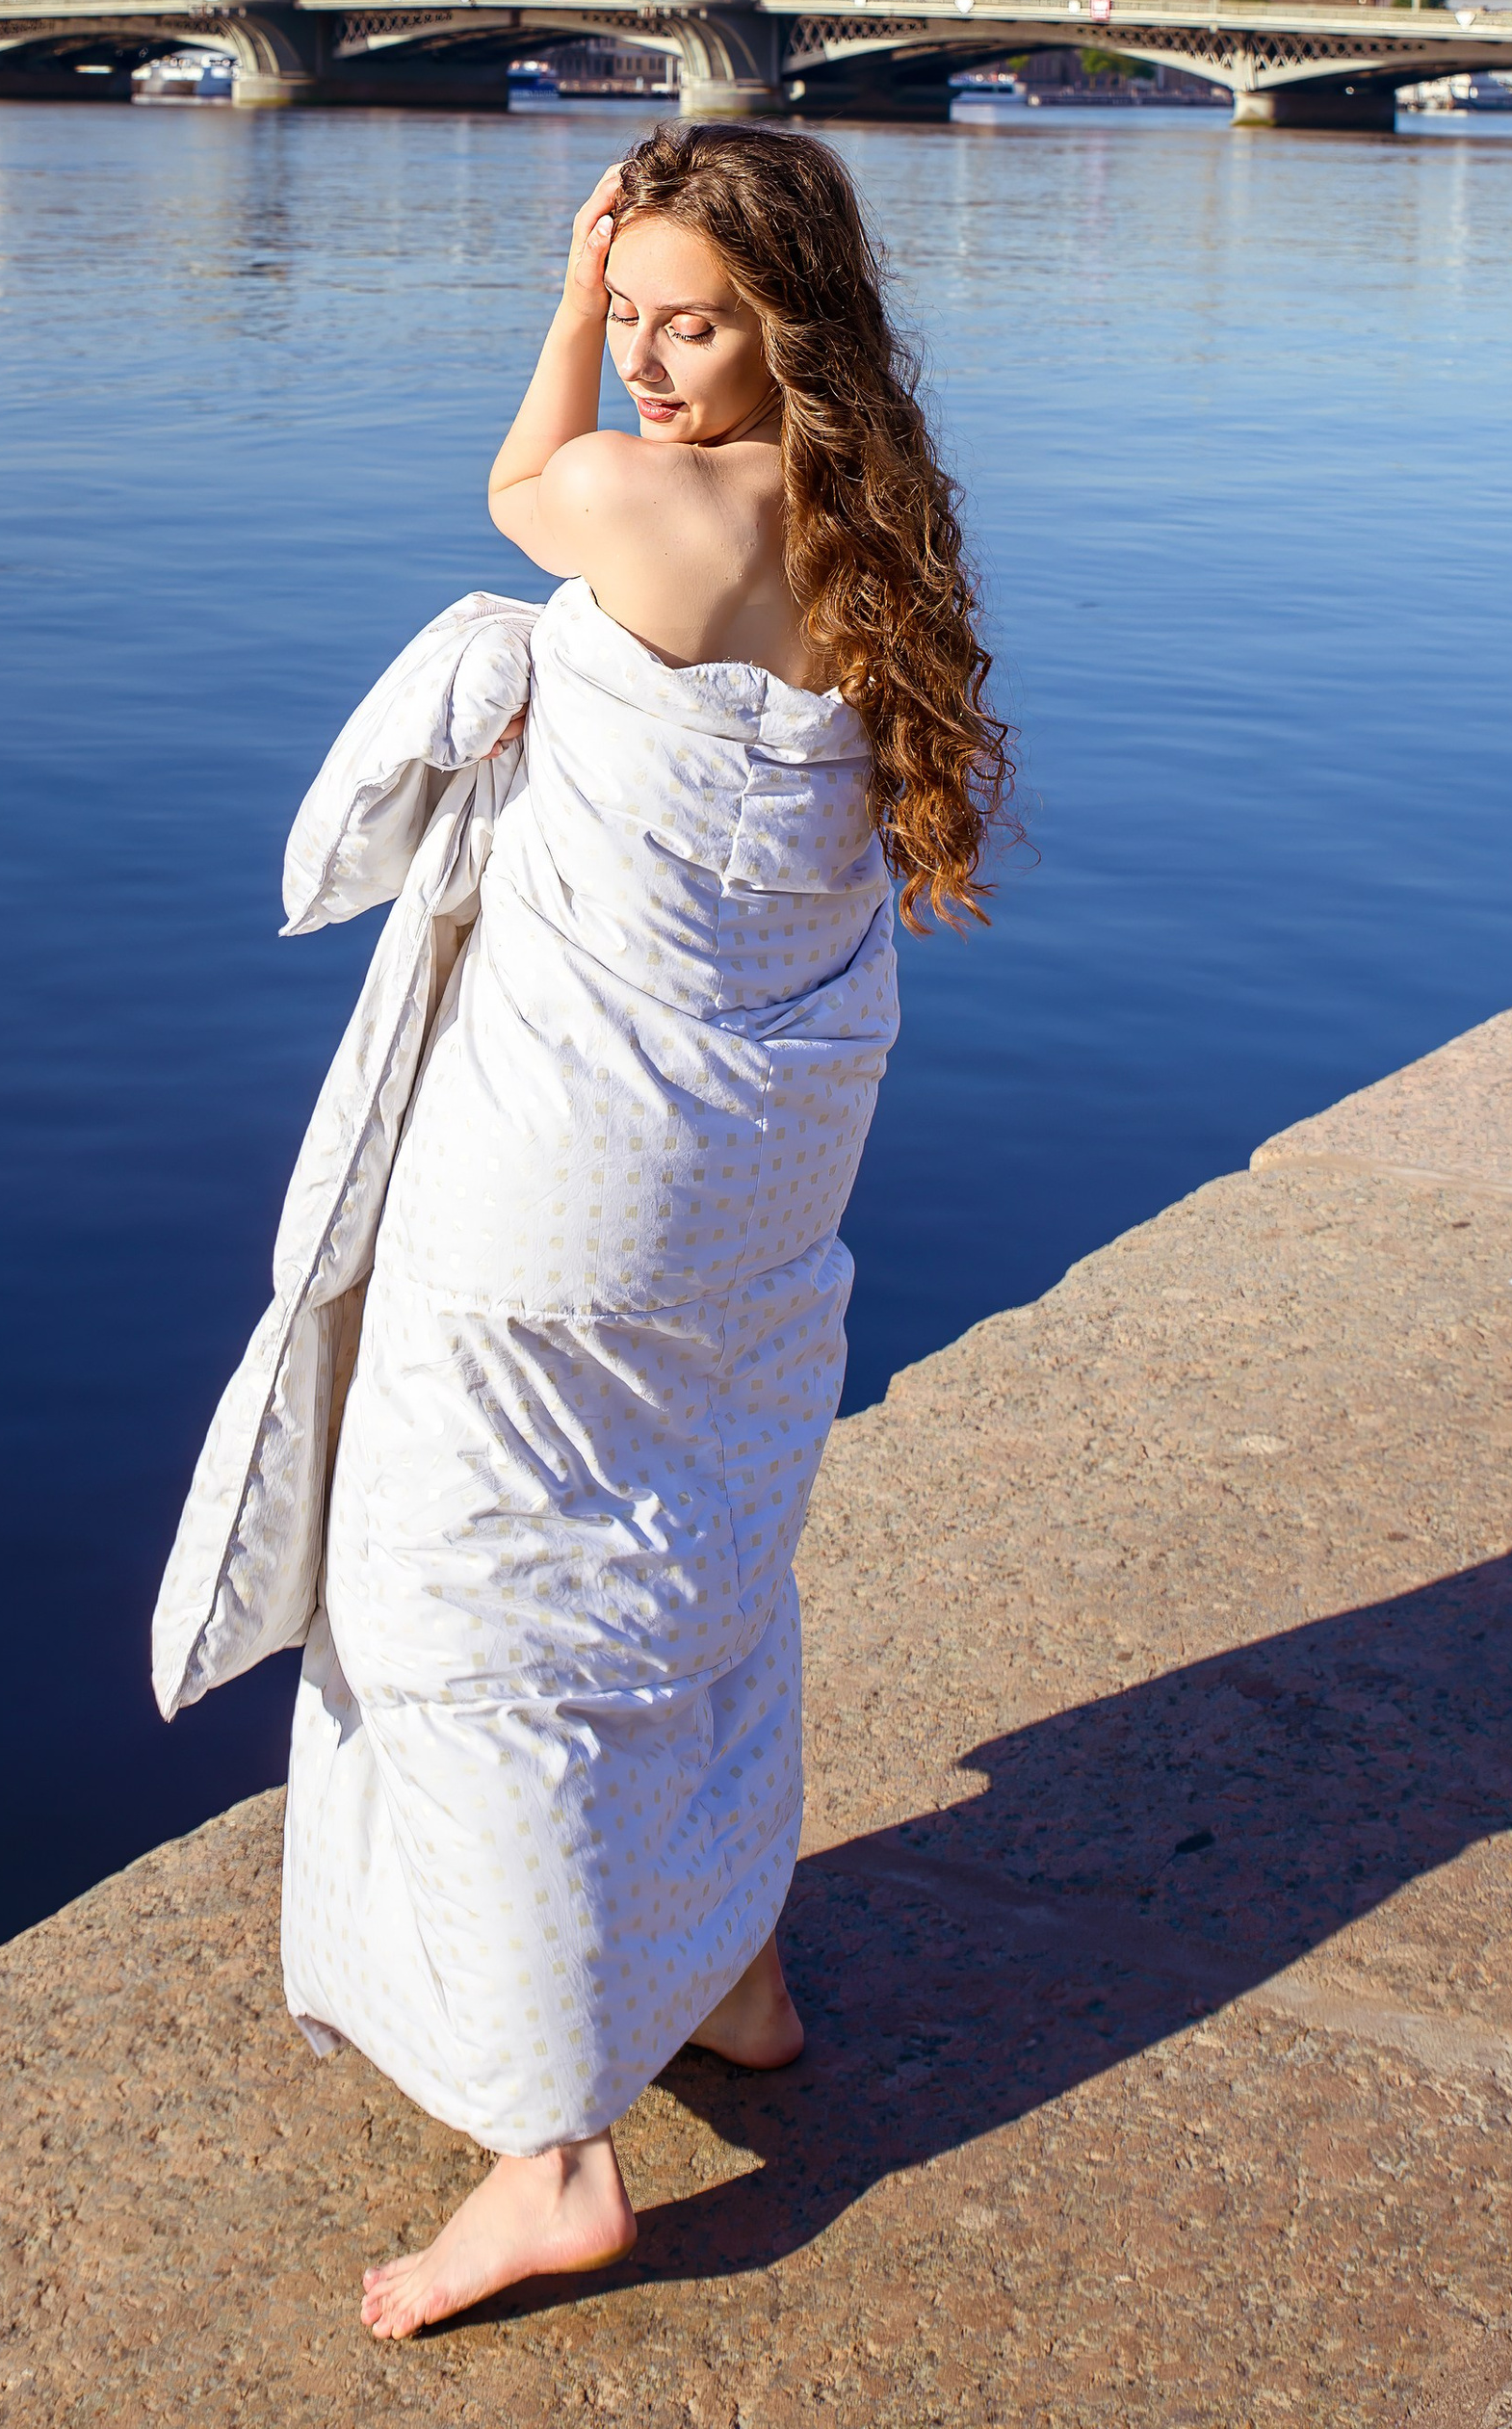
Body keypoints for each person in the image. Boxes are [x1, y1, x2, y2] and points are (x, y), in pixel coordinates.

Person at [161, 122, 1011, 2340]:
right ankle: (723, 1960)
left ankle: (546, 2150)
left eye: (686, 320)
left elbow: (510, 483)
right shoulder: (873, 534)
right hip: (754, 1166)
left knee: (474, 1590)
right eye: (629, 316)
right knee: (696, 1524)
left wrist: (552, 298)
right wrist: (629, 279)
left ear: (784, 322)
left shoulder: (639, 506)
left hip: (568, 1172)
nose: (641, 360)